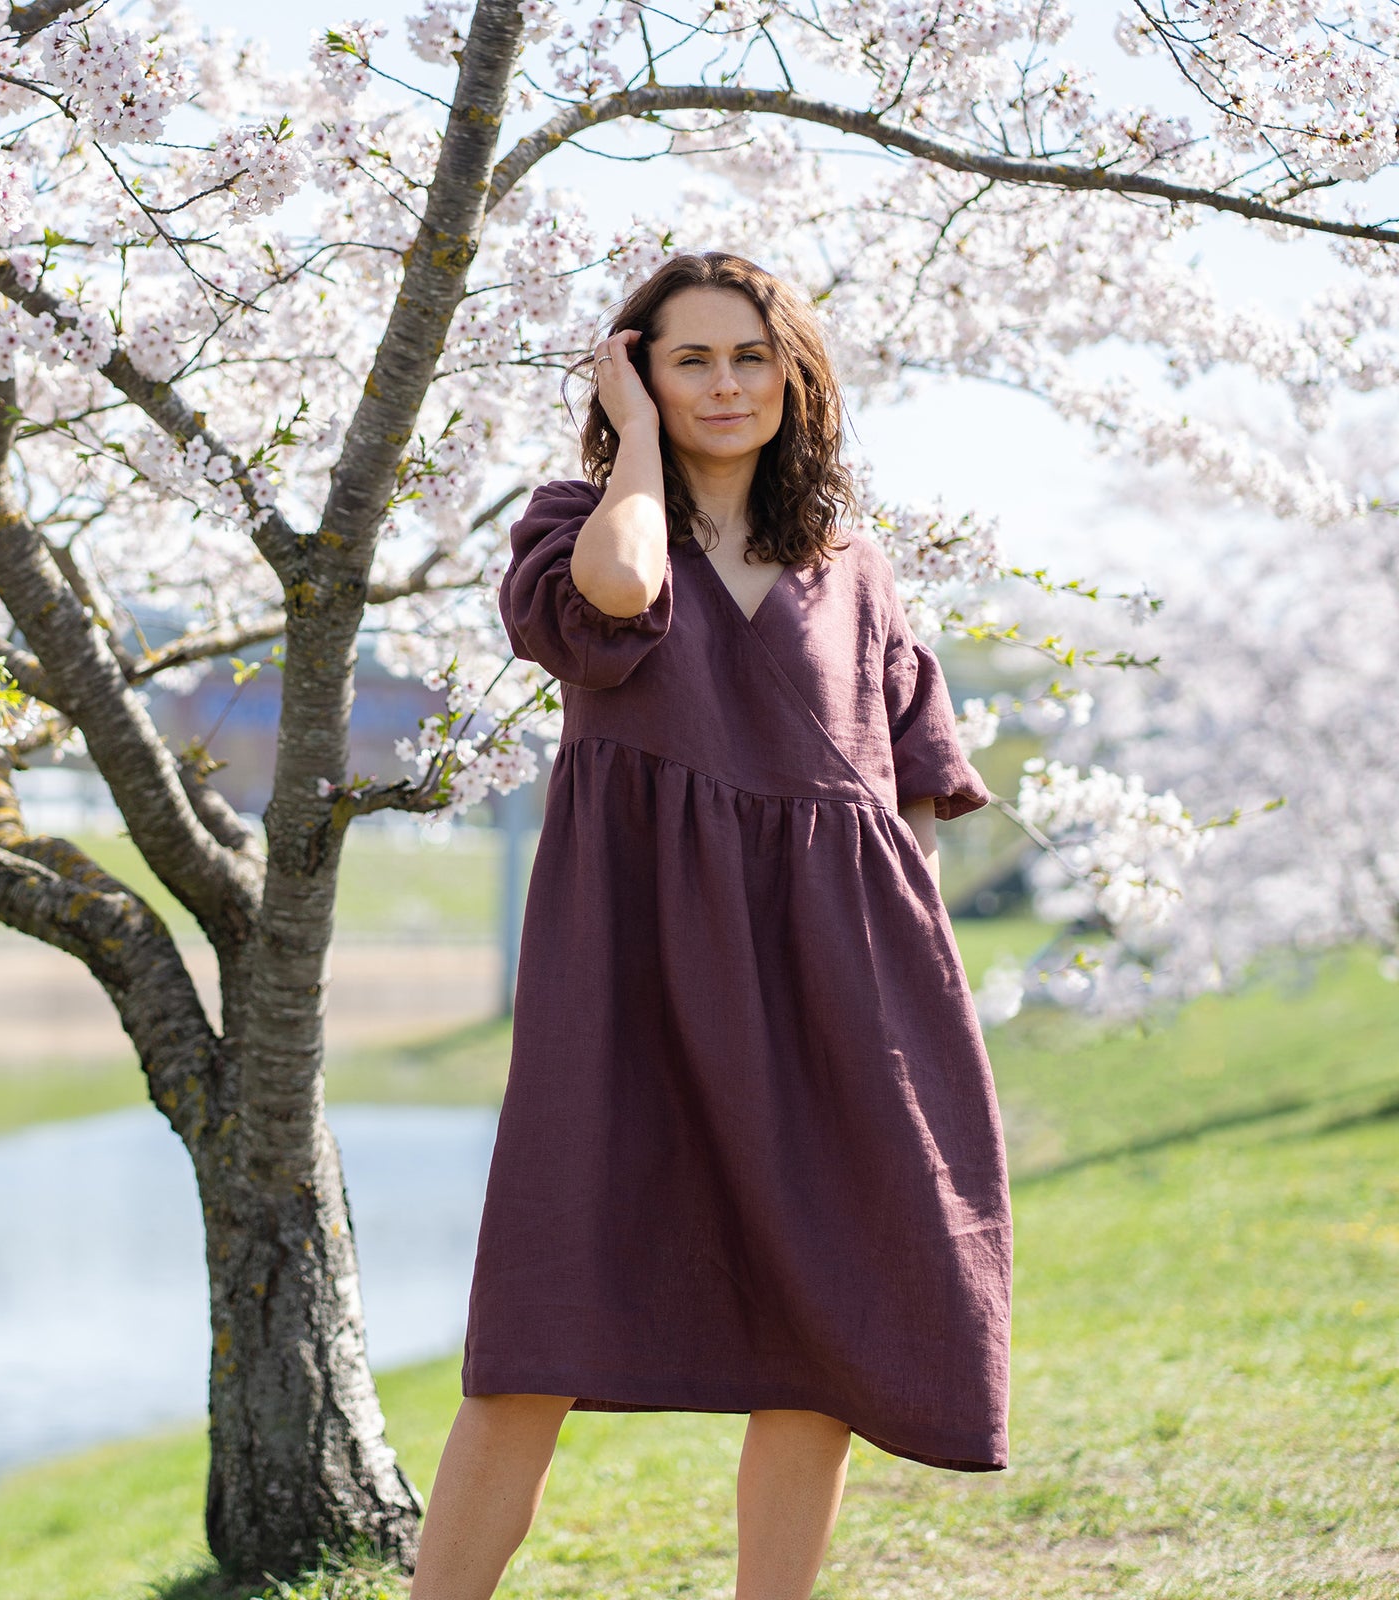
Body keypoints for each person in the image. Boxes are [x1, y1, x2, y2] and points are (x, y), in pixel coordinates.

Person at [407, 251, 1011, 1600]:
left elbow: (907, 804)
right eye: (689, 359)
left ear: (793, 372)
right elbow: (620, 595)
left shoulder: (854, 568)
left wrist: (912, 1013)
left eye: (750, 355)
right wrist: (629, 443)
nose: (726, 384)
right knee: (535, 1336)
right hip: (626, 985)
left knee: (822, 1341)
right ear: (638, 371)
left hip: (839, 990)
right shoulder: (582, 521)